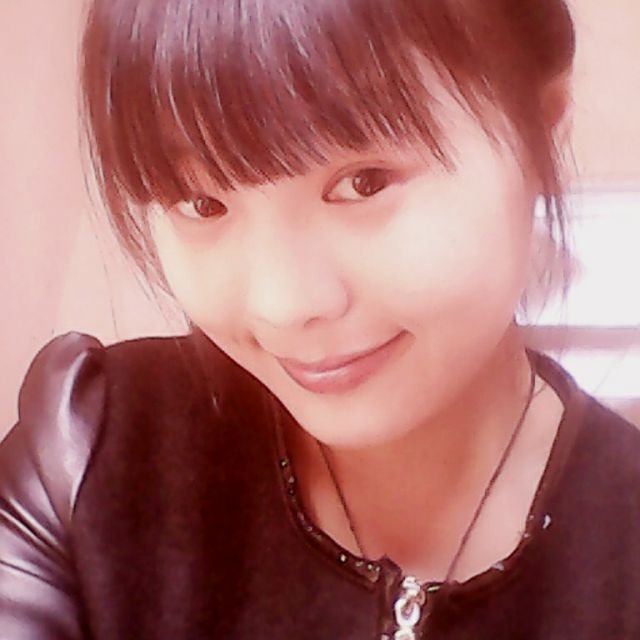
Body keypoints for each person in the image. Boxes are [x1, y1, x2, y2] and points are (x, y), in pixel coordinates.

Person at [1, 1, 639, 638]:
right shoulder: (90, 452)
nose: (282, 305)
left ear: (540, 128)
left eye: (365, 182)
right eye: (203, 203)